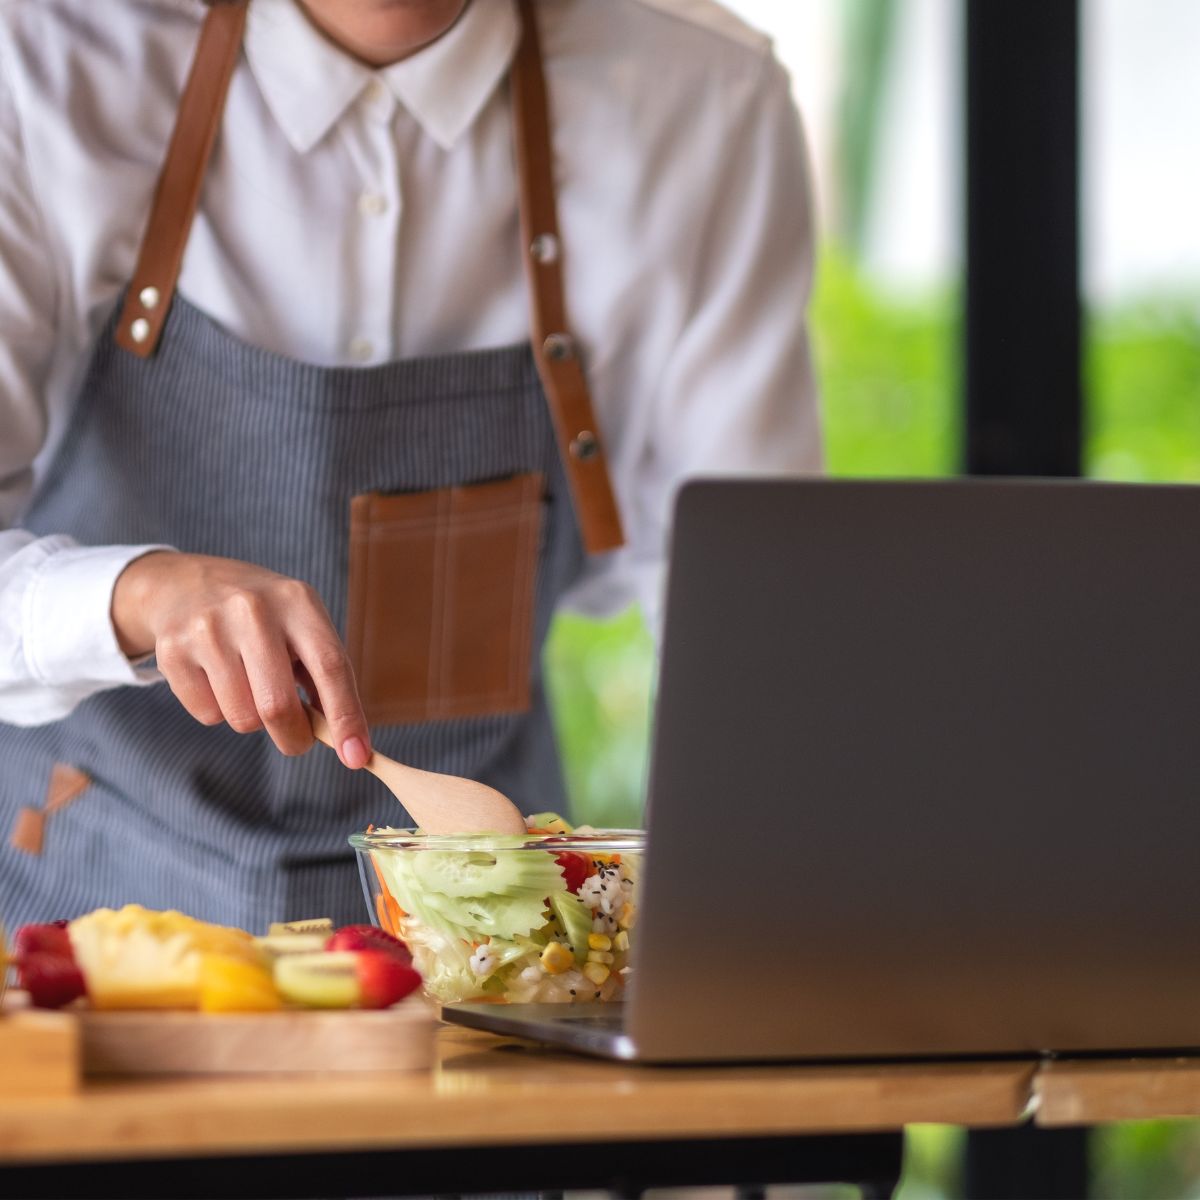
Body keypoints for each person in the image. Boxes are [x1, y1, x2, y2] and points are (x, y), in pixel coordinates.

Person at [0, 0, 820, 933]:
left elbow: (761, 624)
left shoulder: (702, 101)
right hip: (77, 920)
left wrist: (762, 933)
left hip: (490, 948)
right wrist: (140, 594)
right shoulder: (41, 60)